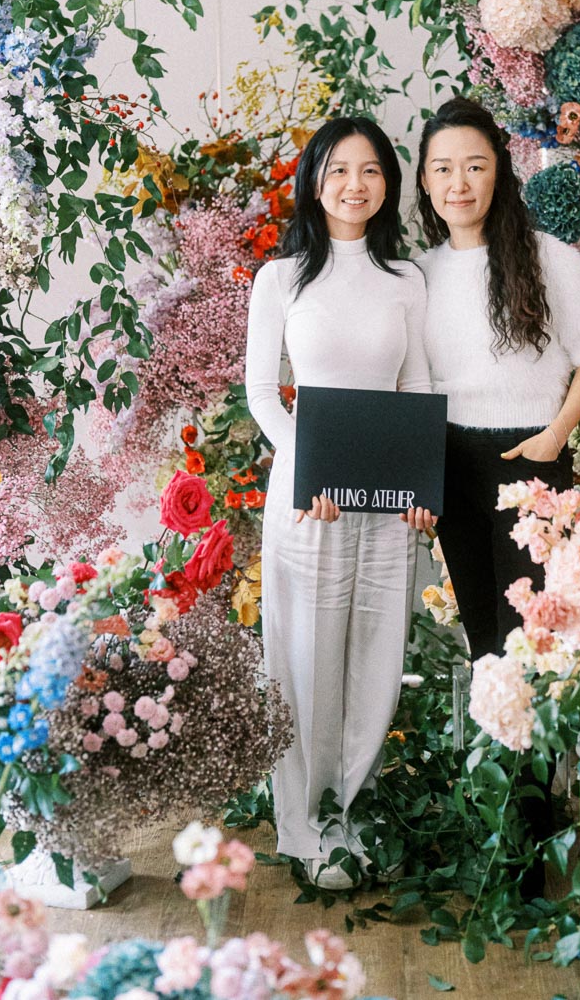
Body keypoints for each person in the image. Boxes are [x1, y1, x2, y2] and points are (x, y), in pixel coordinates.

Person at [245, 115, 431, 891]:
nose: (356, 185)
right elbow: (262, 393)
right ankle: (307, 824)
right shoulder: (282, 279)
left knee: (376, 660)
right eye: (340, 170)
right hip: (307, 501)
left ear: (388, 184)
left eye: (372, 171)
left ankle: (353, 812)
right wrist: (308, 472)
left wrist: (423, 490)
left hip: (389, 508)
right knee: (306, 660)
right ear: (314, 180)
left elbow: (416, 389)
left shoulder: (407, 280)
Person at [414, 97, 580, 663]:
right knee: (483, 635)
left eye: (475, 166)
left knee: (537, 638)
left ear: (499, 173)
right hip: (450, 460)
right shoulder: (420, 275)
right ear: (426, 182)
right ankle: (499, 748)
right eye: (444, 168)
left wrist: (554, 437)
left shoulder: (549, 258)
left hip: (530, 457)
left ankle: (542, 754)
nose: (460, 183)